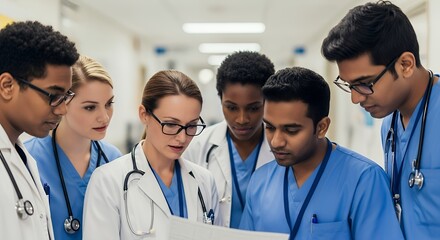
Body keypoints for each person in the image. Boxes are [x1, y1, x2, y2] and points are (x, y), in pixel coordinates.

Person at [239, 67, 403, 239]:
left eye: (291, 130)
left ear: (321, 127)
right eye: (270, 127)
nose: (276, 141)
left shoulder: (364, 180)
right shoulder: (260, 182)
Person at [321, 1, 439, 238]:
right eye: (350, 85)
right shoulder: (390, 124)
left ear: (405, 64)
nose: (355, 98)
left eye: (364, 84)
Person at [83, 70, 220, 240]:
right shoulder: (108, 181)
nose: (182, 137)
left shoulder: (204, 181)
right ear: (144, 115)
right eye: (171, 124)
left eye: (191, 126)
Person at [24, 55, 122, 240]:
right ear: (62, 103)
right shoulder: (29, 157)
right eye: (90, 108)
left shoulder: (114, 159)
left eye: (109, 104)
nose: (105, 117)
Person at [0, 21, 78, 239]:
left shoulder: (22, 155)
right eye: (53, 96)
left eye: (66, 96)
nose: (63, 109)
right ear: (7, 86)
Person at [183, 51, 275, 228]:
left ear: (267, 101)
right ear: (221, 99)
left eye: (253, 108)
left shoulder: (282, 148)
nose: (242, 119)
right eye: (231, 107)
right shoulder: (197, 147)